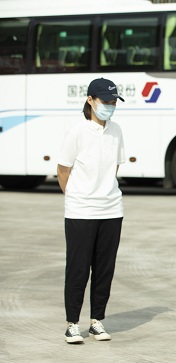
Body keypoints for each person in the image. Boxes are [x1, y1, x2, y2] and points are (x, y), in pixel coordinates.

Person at [56, 78, 125, 344]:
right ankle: (72, 324)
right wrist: (76, 196)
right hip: (81, 211)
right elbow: (63, 170)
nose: (110, 106)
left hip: (111, 209)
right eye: (105, 101)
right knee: (78, 268)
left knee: (104, 269)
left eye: (113, 102)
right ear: (90, 100)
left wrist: (104, 191)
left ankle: (97, 321)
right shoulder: (77, 132)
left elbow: (115, 167)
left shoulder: (116, 130)